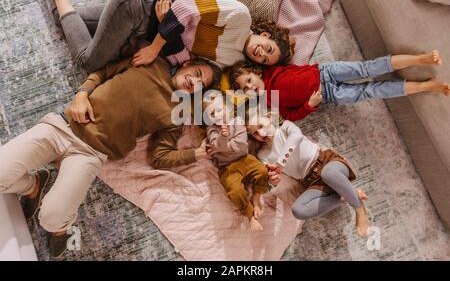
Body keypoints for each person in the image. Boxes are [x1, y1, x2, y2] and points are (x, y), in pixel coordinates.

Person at [0, 56, 221, 258]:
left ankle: (60, 229)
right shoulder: (152, 61)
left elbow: (161, 157)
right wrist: (81, 94)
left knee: (51, 218)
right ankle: (32, 186)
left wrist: (197, 153)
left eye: (201, 86)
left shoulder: (178, 114)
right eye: (198, 73)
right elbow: (103, 72)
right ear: (187, 64)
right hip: (61, 126)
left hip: (90, 153)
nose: (195, 82)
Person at [24, 0, 294, 73]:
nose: (260, 52)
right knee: (88, 61)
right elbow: (186, 7)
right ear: (266, 35)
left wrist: (169, 32)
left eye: (264, 58)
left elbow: (181, 58)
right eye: (267, 48)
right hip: (136, 9)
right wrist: (157, 46)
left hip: (144, 26)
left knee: (66, 21)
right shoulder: (240, 15)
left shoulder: (229, 60)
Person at [245, 110, 370, 237]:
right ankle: (345, 195)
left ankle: (359, 207)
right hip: (311, 181)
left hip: (326, 162)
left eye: (260, 126)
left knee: (328, 174)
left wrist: (281, 161)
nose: (261, 133)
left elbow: (296, 137)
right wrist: (273, 181)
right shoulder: (262, 155)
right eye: (255, 133)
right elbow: (269, 180)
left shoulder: (285, 127)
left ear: (269, 117)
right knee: (298, 210)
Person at [230, 51, 449, 121]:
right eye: (245, 89)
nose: (250, 87)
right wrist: (308, 105)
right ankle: (425, 86)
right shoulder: (269, 101)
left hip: (324, 71)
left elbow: (278, 52)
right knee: (371, 91)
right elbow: (290, 115)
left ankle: (420, 59)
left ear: (256, 72)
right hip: (329, 95)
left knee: (367, 69)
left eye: (249, 80)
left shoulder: (271, 70)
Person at [204, 91, 268, 231]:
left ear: (229, 108)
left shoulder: (237, 121)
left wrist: (221, 148)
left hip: (245, 159)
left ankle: (256, 197)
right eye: (212, 114)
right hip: (227, 167)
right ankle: (250, 214)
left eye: (219, 110)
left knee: (263, 171)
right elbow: (216, 145)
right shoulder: (212, 130)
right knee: (235, 190)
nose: (217, 115)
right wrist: (222, 137)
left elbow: (240, 145)